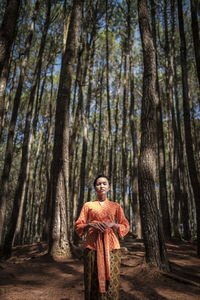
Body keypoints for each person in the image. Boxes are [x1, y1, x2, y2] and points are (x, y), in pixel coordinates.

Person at [74, 174, 129, 300]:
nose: (101, 186)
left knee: (112, 280)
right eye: (98, 184)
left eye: (104, 183)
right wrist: (90, 225)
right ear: (95, 188)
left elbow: (125, 224)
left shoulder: (115, 206)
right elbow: (78, 225)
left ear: (109, 187)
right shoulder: (88, 205)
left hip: (112, 246)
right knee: (91, 280)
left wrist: (113, 225)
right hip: (92, 246)